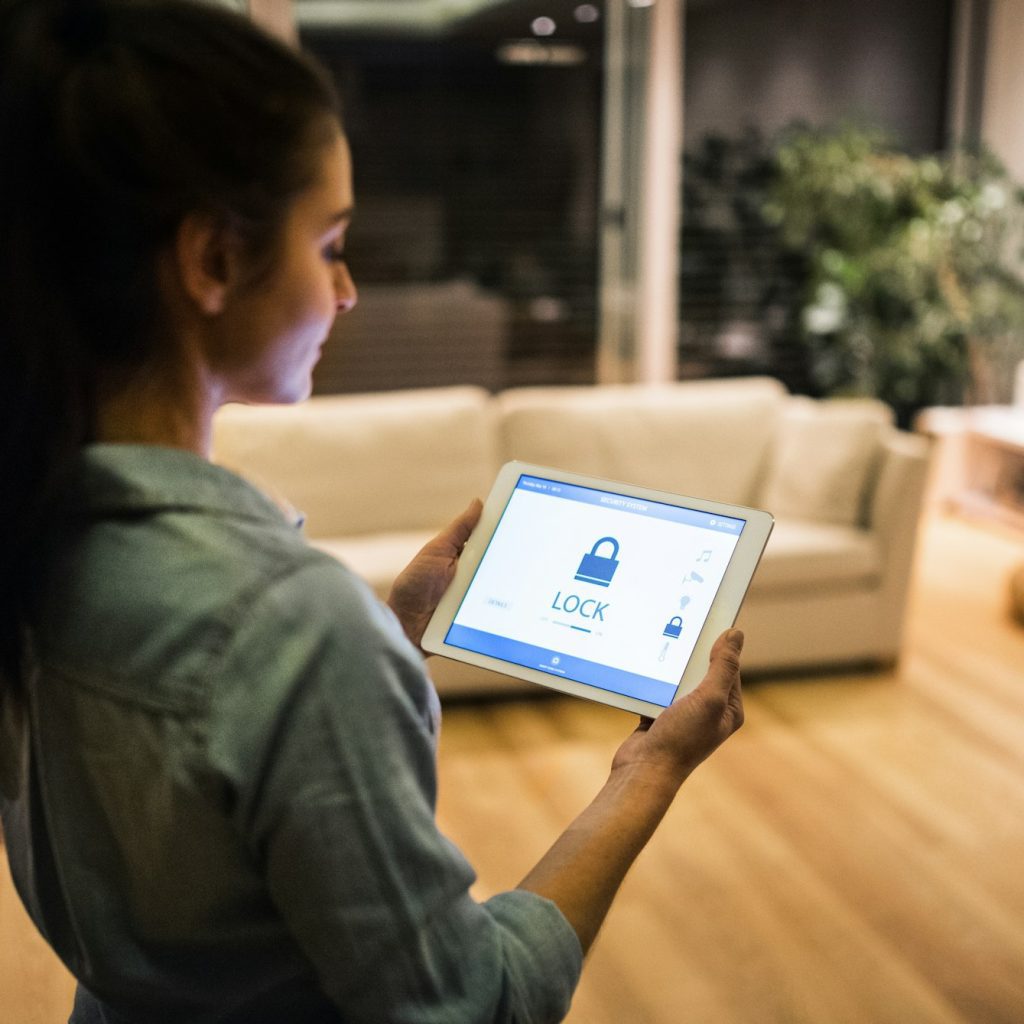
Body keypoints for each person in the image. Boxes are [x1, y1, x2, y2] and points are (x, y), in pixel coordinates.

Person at [0, 1, 746, 1021]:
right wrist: (648, 770)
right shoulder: (287, 628)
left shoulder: (35, 532)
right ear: (215, 260)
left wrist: (387, 633)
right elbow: (469, 1004)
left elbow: (192, 842)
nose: (347, 292)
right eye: (332, 242)